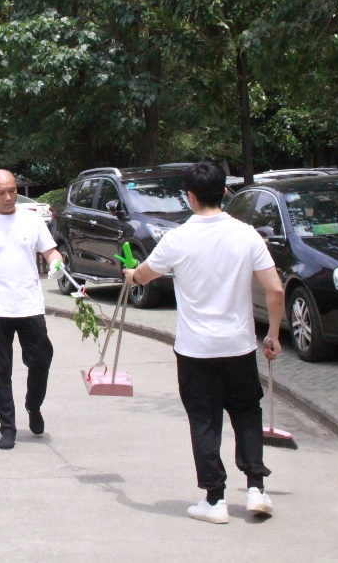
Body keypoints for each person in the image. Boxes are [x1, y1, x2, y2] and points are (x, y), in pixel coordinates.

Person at [124, 161, 284, 523]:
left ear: (190, 197)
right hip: (239, 346)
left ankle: (215, 500)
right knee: (247, 412)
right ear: (224, 192)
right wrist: (273, 335)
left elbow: (145, 275)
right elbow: (275, 290)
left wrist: (131, 275)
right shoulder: (247, 235)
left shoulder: (177, 239)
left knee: (204, 420)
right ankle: (256, 488)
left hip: (195, 350)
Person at [0, 169, 64, 450]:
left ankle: (33, 404)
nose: (8, 197)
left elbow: (50, 250)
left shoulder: (31, 219)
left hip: (29, 304)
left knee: (41, 359)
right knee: (0, 370)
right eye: (2, 192)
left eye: (13, 191)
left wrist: (56, 263)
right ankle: (7, 426)